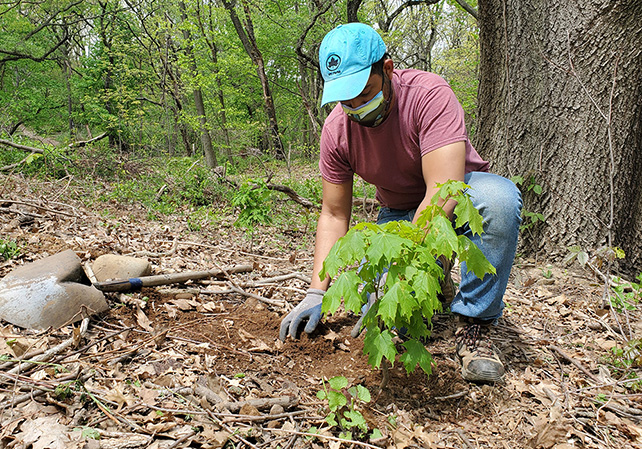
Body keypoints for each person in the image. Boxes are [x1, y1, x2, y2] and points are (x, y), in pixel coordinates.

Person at [279, 23, 522, 383]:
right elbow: (333, 214)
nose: (358, 108)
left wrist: (406, 269)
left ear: (387, 70)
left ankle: (476, 323)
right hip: (396, 214)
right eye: (347, 100)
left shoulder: (429, 95)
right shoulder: (336, 131)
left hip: (460, 196)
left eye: (365, 92)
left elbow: (444, 188)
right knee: (377, 303)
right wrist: (317, 289)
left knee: (499, 199)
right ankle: (435, 279)